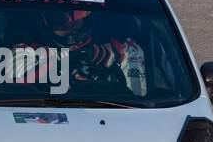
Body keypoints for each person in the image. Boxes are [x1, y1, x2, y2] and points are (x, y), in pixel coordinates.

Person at [16, 8, 147, 94]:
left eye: (74, 17)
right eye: (59, 17)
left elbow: (137, 96)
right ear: (45, 20)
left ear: (87, 17)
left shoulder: (119, 49)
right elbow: (13, 86)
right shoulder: (27, 49)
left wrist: (107, 63)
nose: (68, 22)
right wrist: (68, 59)